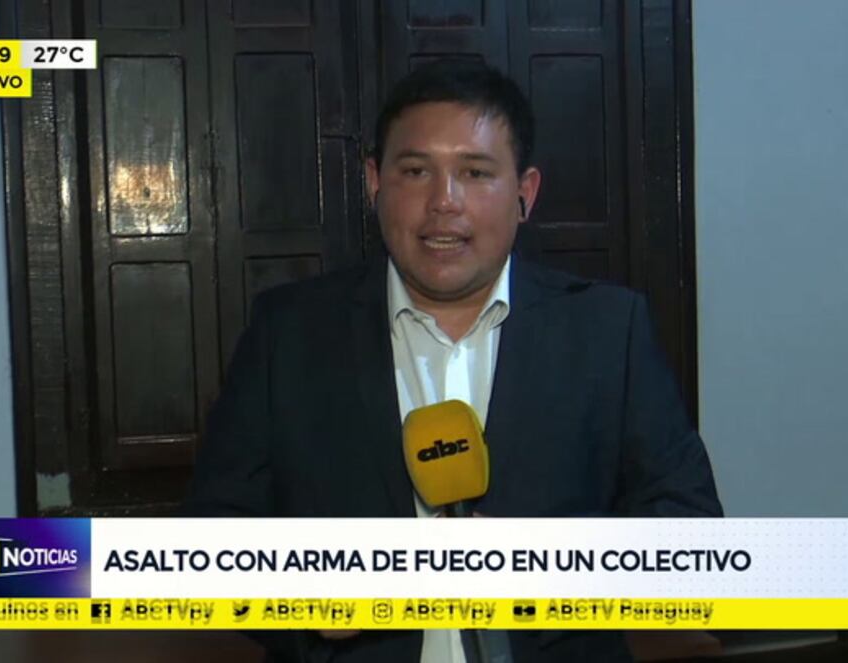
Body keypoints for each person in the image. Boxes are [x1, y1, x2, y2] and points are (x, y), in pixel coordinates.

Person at [182, 59, 722, 663]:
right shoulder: (288, 334)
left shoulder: (607, 331)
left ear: (525, 193)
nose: (444, 202)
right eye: (416, 171)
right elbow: (210, 541)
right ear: (374, 182)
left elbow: (691, 533)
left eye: (475, 172)